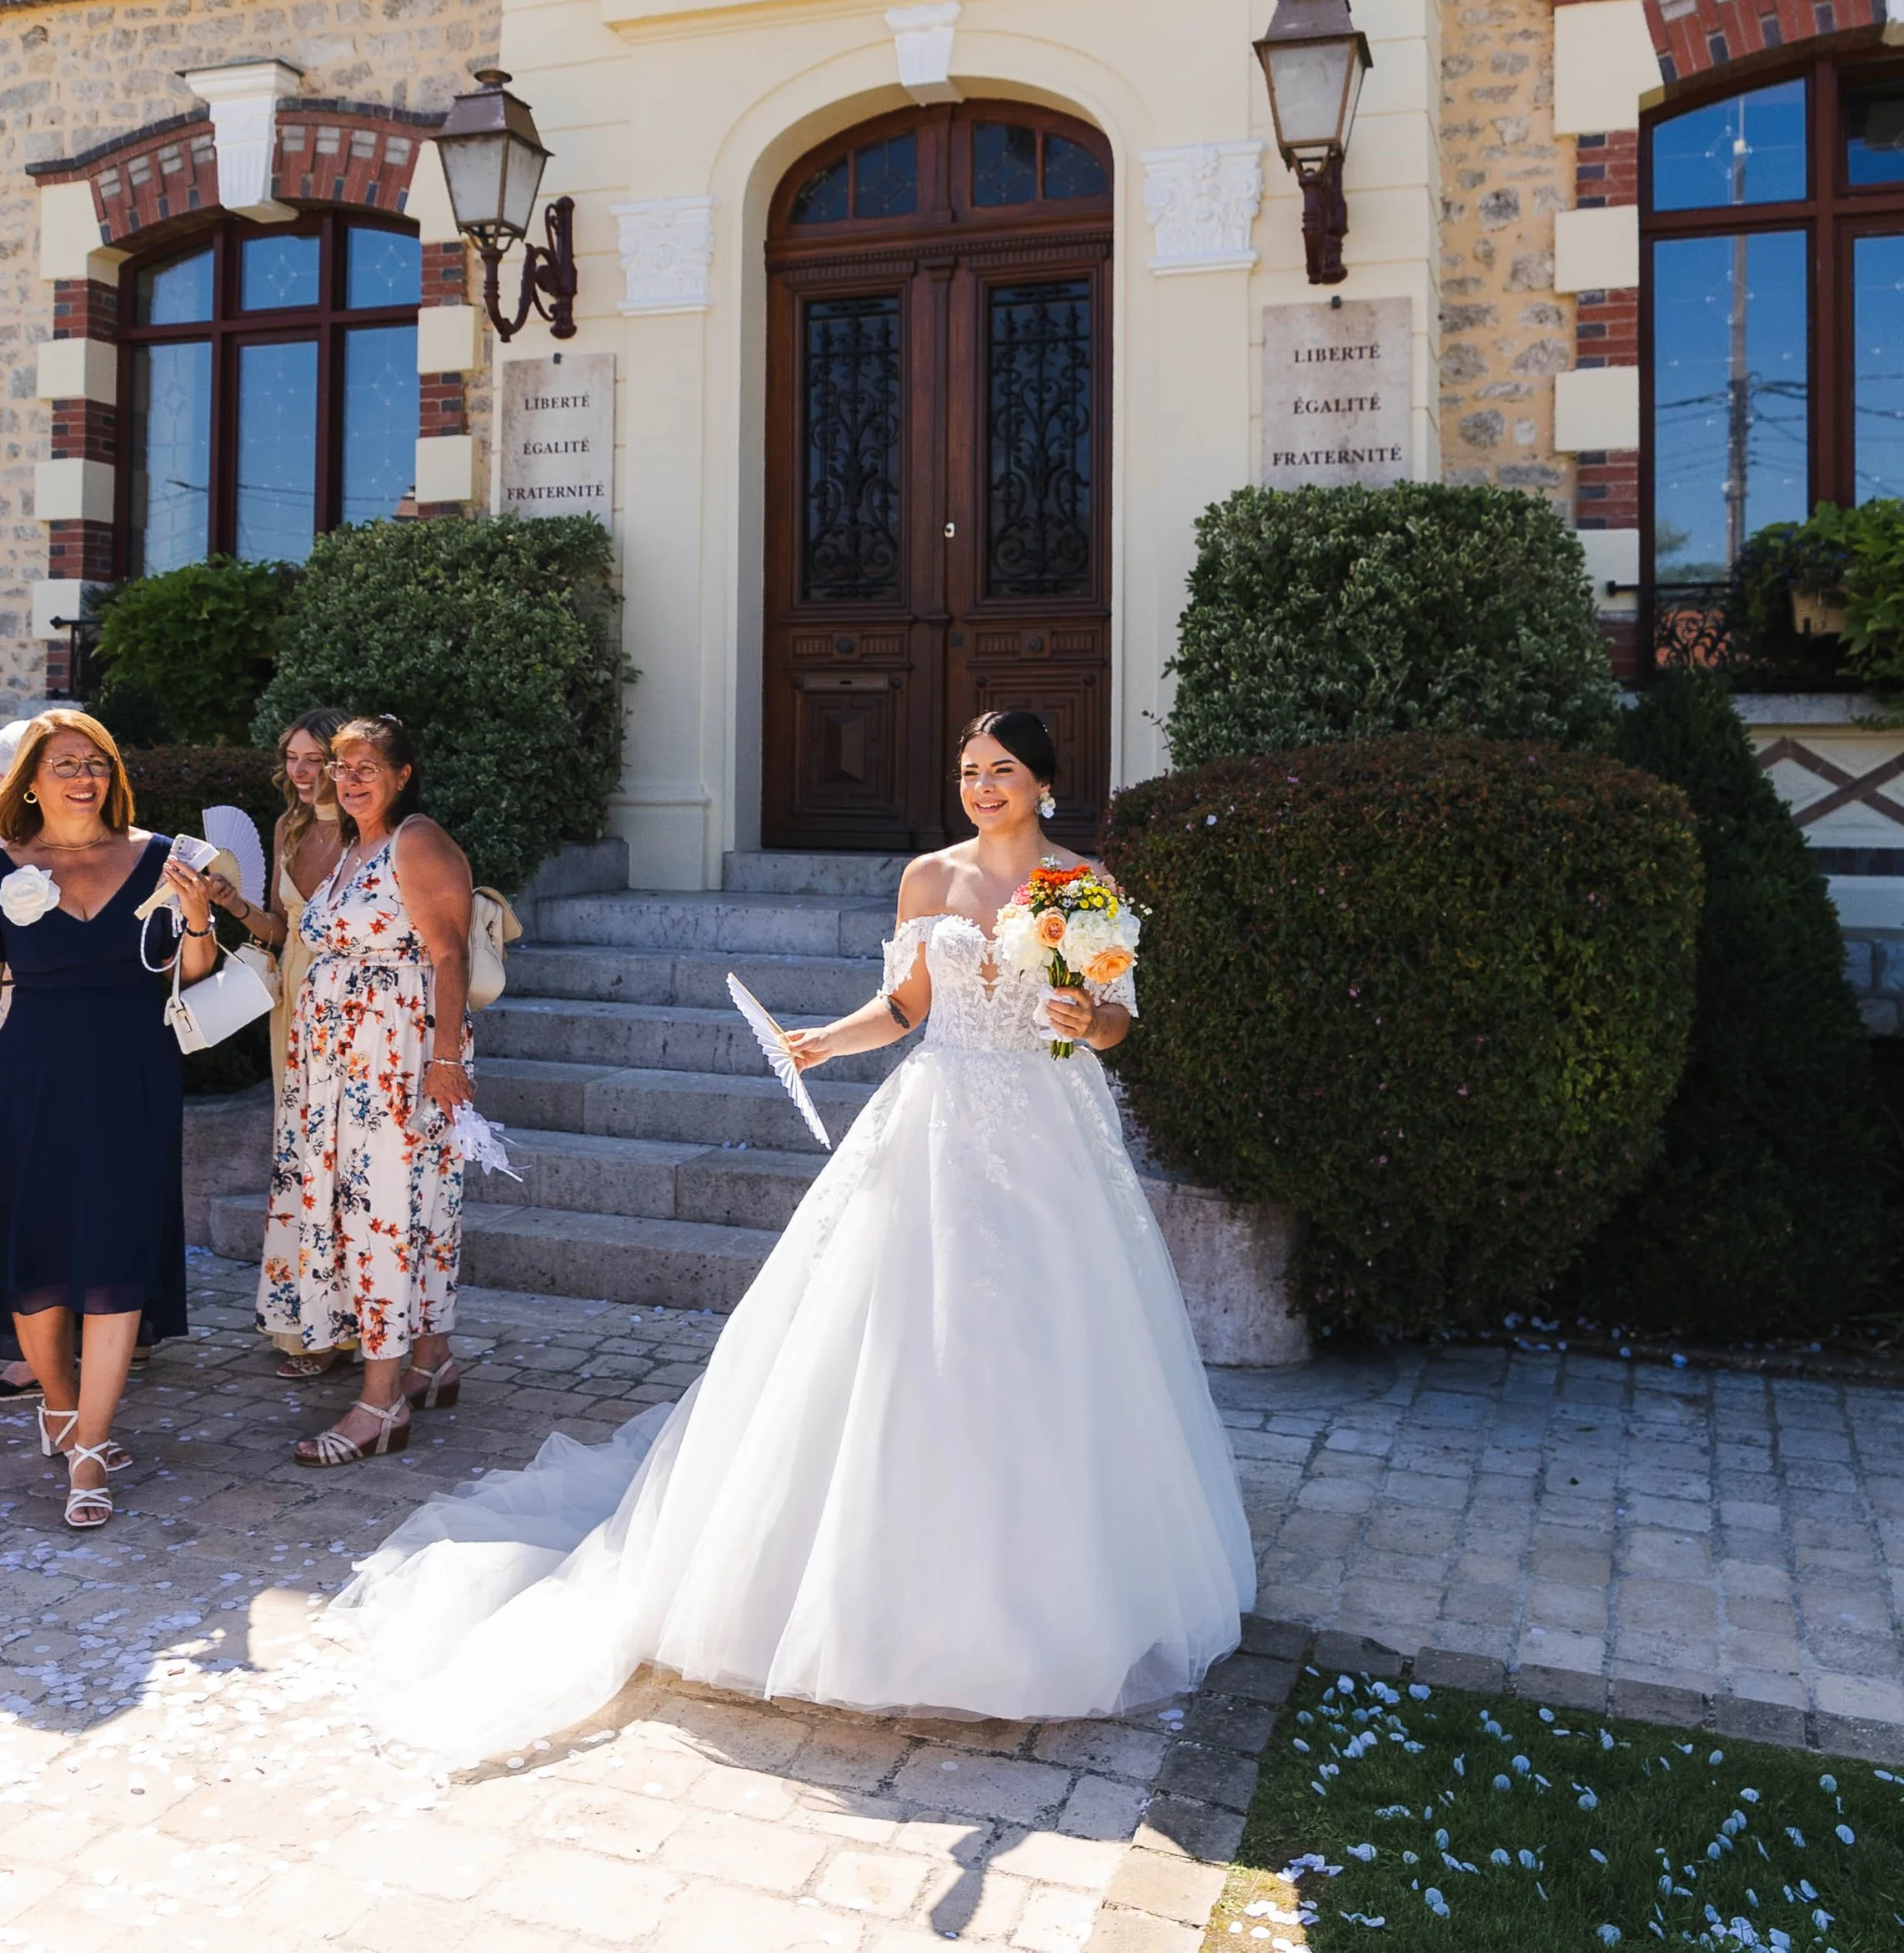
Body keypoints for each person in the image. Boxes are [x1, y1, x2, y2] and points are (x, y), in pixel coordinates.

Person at [334, 707, 1255, 1766]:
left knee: (1058, 1336)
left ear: (1045, 783)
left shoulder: (1086, 885)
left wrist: (1085, 1022)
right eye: (968, 771)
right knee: (904, 1340)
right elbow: (905, 1007)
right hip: (940, 1121)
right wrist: (826, 1040)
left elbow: (1115, 1017)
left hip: (1051, 1131)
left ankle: (1059, 1579)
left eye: (1003, 770)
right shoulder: (929, 880)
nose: (983, 786)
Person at [0, 709, 225, 1527]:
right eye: (64, 764)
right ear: (30, 781)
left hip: (134, 1072)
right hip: (28, 1078)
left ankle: (90, 1447)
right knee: (38, 1254)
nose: (83, 778)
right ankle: (59, 1404)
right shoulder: (3, 866)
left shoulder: (160, 855)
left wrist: (198, 913)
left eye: (96, 764)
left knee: (118, 1247)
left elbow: (188, 968)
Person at [255, 714, 473, 1464]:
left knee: (384, 1216)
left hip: (396, 1062)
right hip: (341, 1070)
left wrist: (446, 1062)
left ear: (402, 774)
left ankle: (379, 1405)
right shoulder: (356, 848)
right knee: (413, 1209)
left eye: (365, 768)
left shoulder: (417, 840)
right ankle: (431, 1359)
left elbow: (448, 957)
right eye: (340, 768)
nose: (348, 780)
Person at [234, 708, 351, 1381]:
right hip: (295, 1011)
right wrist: (234, 903)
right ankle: (306, 1323)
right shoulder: (287, 827)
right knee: (304, 1162)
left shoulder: (378, 831)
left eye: (315, 758)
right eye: (292, 758)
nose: (300, 772)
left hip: (361, 1008)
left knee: (353, 1167)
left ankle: (362, 1327)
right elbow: (283, 930)